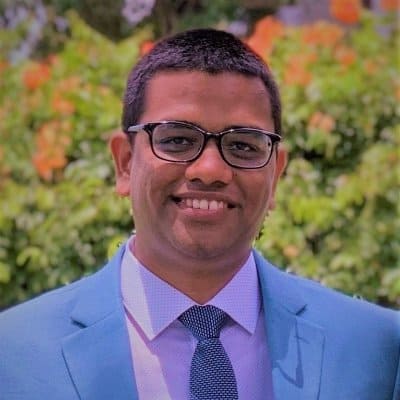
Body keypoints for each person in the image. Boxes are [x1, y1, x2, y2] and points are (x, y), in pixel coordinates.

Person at [0, 28, 399, 400]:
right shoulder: (15, 353)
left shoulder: (375, 348)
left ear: (275, 174)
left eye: (243, 146)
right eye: (177, 139)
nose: (210, 171)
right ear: (124, 163)